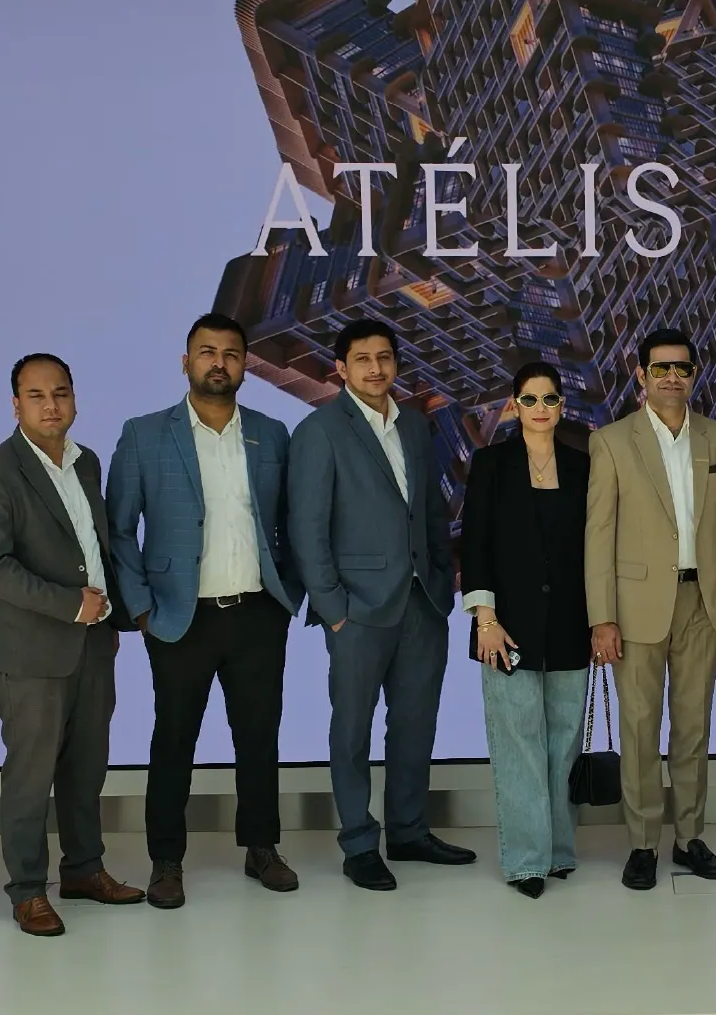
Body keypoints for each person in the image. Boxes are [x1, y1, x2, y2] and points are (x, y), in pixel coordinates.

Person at [109, 313, 305, 906]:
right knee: (174, 740)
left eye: (231, 354)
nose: (219, 363)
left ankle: (262, 848)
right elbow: (119, 530)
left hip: (257, 612)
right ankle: (166, 860)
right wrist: (141, 610)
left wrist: (288, 595)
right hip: (178, 616)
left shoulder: (271, 434)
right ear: (186, 361)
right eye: (207, 352)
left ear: (245, 365)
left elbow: (292, 520)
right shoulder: (144, 434)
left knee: (259, 736)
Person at [289, 319, 476, 890]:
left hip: (422, 602)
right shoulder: (319, 430)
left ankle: (409, 831)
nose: (375, 368)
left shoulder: (415, 425)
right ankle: (359, 844)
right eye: (362, 359)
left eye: (385, 357)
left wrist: (441, 580)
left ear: (396, 363)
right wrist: (333, 608)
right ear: (340, 368)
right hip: (357, 609)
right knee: (352, 731)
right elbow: (307, 527)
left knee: (415, 723)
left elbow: (432, 510)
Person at [0, 354, 145, 936]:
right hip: (30, 650)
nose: (50, 405)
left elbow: (94, 545)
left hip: (93, 644)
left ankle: (84, 871)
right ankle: (26, 891)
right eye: (36, 395)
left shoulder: (86, 461)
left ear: (74, 399)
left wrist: (111, 617)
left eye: (60, 393)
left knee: (86, 768)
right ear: (15, 404)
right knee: (30, 775)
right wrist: (70, 604)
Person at [584, 327, 716, 890]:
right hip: (634, 608)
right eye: (661, 368)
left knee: (693, 726)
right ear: (642, 375)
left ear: (694, 374)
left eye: (682, 368)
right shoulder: (612, 442)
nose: (672, 377)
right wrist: (602, 617)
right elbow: (598, 535)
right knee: (639, 729)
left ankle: (689, 837)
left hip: (704, 603)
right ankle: (642, 844)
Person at [461, 362, 591, 898]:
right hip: (505, 628)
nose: (541, 409)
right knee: (518, 745)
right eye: (530, 400)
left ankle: (558, 851)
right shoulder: (491, 463)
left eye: (550, 399)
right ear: (514, 406)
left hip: (571, 625)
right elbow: (475, 543)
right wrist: (485, 620)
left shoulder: (583, 465)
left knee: (563, 744)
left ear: (563, 406)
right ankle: (526, 861)